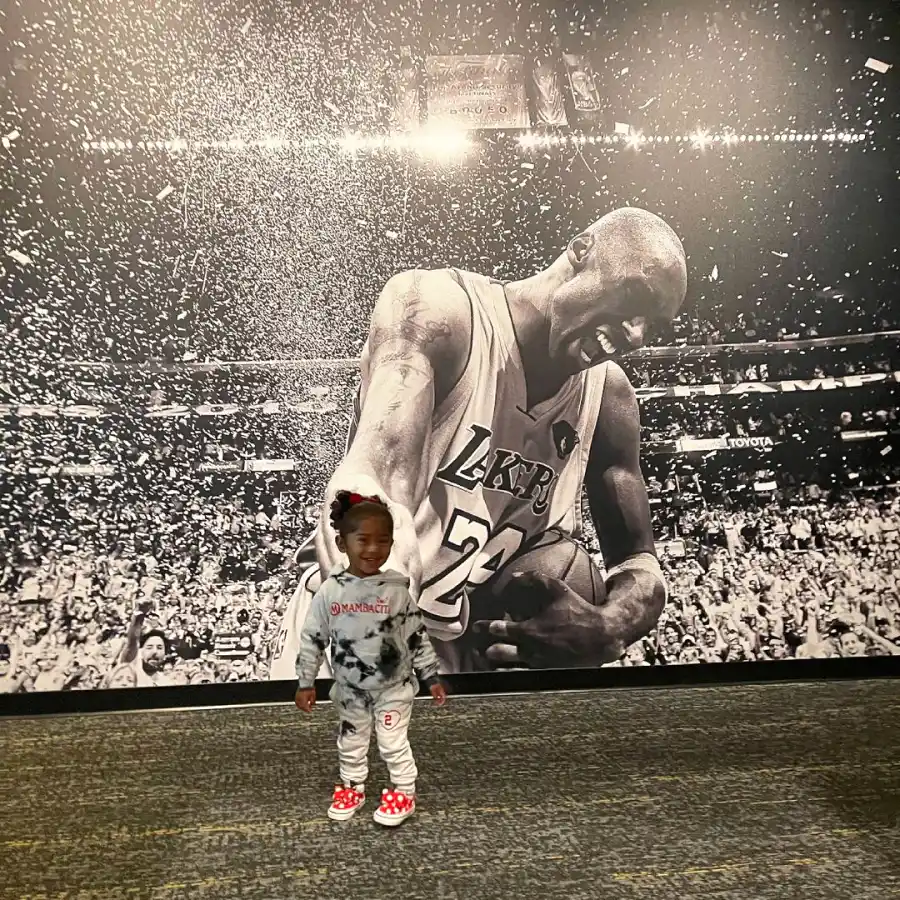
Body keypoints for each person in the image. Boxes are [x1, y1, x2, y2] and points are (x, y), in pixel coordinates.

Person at [272, 206, 688, 677]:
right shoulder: (440, 311)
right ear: (580, 251)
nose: (636, 333)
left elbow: (639, 562)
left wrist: (611, 625)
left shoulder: (610, 399)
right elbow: (376, 475)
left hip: (479, 657)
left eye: (653, 325)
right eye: (633, 298)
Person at [294, 491, 447, 827]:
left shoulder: (396, 591)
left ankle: (403, 792)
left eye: (383, 541)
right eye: (363, 540)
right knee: (351, 741)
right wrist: (306, 682)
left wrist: (431, 676)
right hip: (350, 688)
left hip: (393, 687)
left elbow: (416, 634)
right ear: (341, 542)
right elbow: (312, 638)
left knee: (393, 743)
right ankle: (353, 786)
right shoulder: (330, 591)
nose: (373, 549)